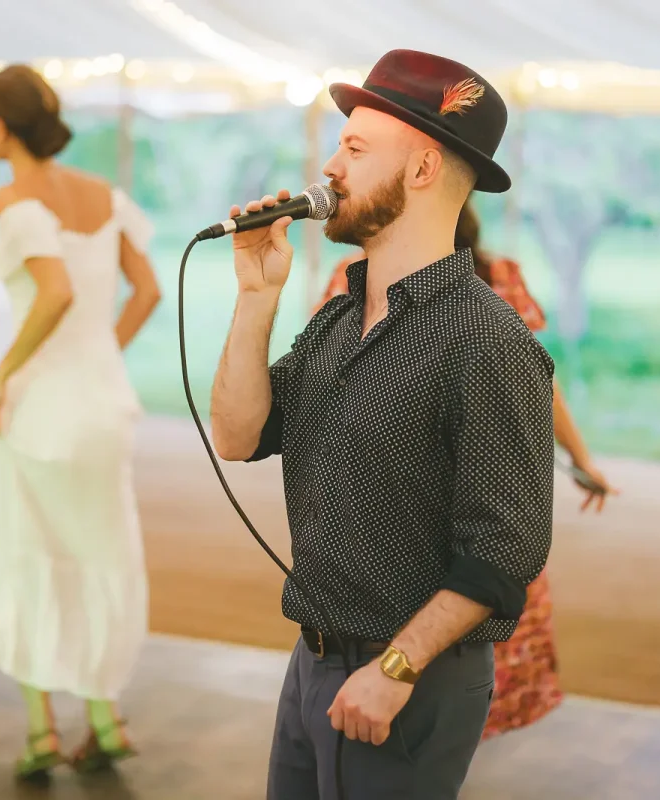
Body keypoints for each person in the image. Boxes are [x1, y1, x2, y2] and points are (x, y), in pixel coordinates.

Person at [210, 50, 556, 799]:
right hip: (314, 661)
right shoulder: (340, 314)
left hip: (407, 676)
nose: (330, 166)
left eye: (356, 148)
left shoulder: (487, 341)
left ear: (424, 169)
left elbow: (506, 550)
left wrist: (396, 669)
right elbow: (238, 437)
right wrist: (256, 298)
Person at [316, 200, 619, 743]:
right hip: (456, 487)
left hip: (429, 490)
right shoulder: (482, 275)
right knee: (467, 613)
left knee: (471, 594)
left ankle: (436, 729)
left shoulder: (484, 280)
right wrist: (578, 457)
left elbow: (535, 379)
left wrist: (579, 458)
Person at [0, 64, 161, 782]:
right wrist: (100, 351)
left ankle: (41, 731)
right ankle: (105, 718)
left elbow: (50, 294)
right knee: (100, 554)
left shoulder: (15, 199)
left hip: (41, 409)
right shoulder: (103, 195)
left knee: (28, 556)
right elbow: (145, 290)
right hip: (103, 404)